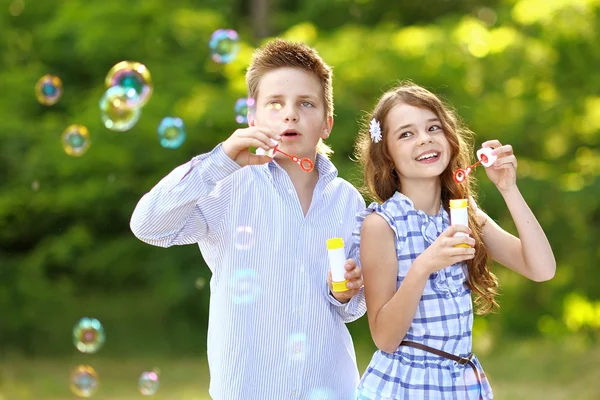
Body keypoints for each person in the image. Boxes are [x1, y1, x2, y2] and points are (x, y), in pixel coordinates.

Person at [130, 38, 366, 400]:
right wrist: (219, 160)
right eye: (276, 103)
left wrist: (346, 292)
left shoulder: (347, 201)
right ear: (253, 118)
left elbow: (350, 307)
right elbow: (148, 225)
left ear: (327, 124)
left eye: (306, 103)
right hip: (249, 389)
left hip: (332, 387)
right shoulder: (227, 186)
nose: (290, 114)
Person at [352, 82, 556, 399]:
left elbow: (541, 269)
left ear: (448, 137)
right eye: (406, 134)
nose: (424, 139)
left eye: (433, 127)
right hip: (407, 383)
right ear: (387, 155)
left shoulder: (462, 215)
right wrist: (424, 266)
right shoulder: (382, 225)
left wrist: (508, 188)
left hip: (462, 382)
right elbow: (385, 339)